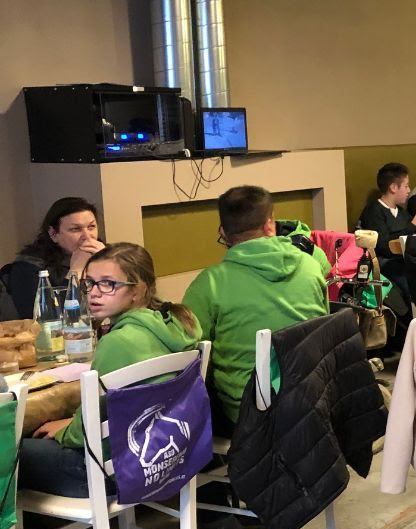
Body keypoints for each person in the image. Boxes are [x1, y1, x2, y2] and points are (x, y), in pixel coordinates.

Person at [21, 243, 200, 496]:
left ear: (137, 291)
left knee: (9, 450)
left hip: (109, 471)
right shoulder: (177, 324)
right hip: (164, 459)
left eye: (108, 284)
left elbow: (83, 432)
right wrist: (72, 422)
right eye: (90, 283)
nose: (94, 293)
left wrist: (65, 431)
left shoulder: (118, 342)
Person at [182, 186, 329, 429]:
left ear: (223, 232)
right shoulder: (311, 266)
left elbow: (189, 350)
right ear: (270, 225)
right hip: (311, 400)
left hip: (244, 415)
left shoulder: (209, 284)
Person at [5, 197, 104, 319]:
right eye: (75, 229)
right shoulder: (28, 266)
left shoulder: (104, 254)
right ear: (53, 234)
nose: (87, 237)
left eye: (91, 227)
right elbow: (45, 318)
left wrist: (106, 262)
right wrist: (76, 271)